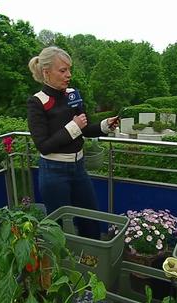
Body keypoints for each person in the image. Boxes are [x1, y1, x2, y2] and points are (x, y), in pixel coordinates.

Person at [26, 46, 119, 239]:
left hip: (79, 168)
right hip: (53, 171)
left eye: (69, 69)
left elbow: (84, 128)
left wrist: (104, 126)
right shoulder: (36, 102)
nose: (68, 75)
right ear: (46, 72)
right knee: (57, 226)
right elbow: (43, 145)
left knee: (90, 219)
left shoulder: (72, 94)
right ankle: (62, 266)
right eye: (63, 70)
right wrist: (73, 127)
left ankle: (92, 260)